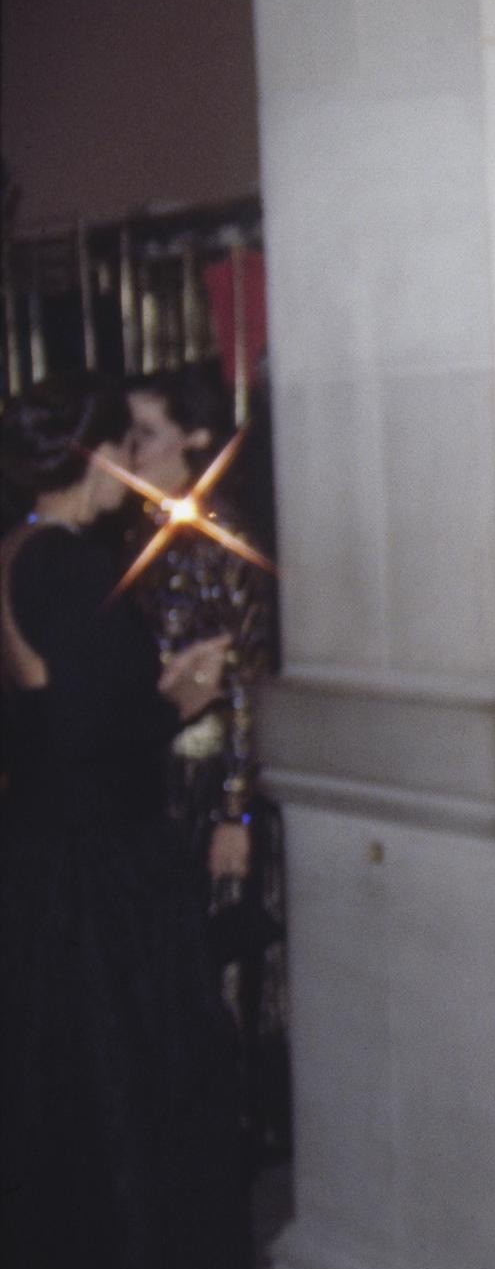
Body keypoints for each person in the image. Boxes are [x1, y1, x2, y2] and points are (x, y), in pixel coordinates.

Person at [0, 373, 254, 1269]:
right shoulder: (66, 563)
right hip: (99, 868)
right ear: (95, 455)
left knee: (60, 1094)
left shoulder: (19, 548)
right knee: (126, 1100)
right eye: (122, 447)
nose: (130, 469)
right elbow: (93, 731)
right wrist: (182, 700)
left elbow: (56, 710)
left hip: (46, 851)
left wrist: (149, 692)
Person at [125, 363, 289, 1168]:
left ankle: (236, 1130)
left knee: (227, 962)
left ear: (195, 438)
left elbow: (250, 682)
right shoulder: (140, 532)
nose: (129, 451)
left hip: (214, 775)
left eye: (144, 434)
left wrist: (236, 809)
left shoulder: (224, 537)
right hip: (161, 778)